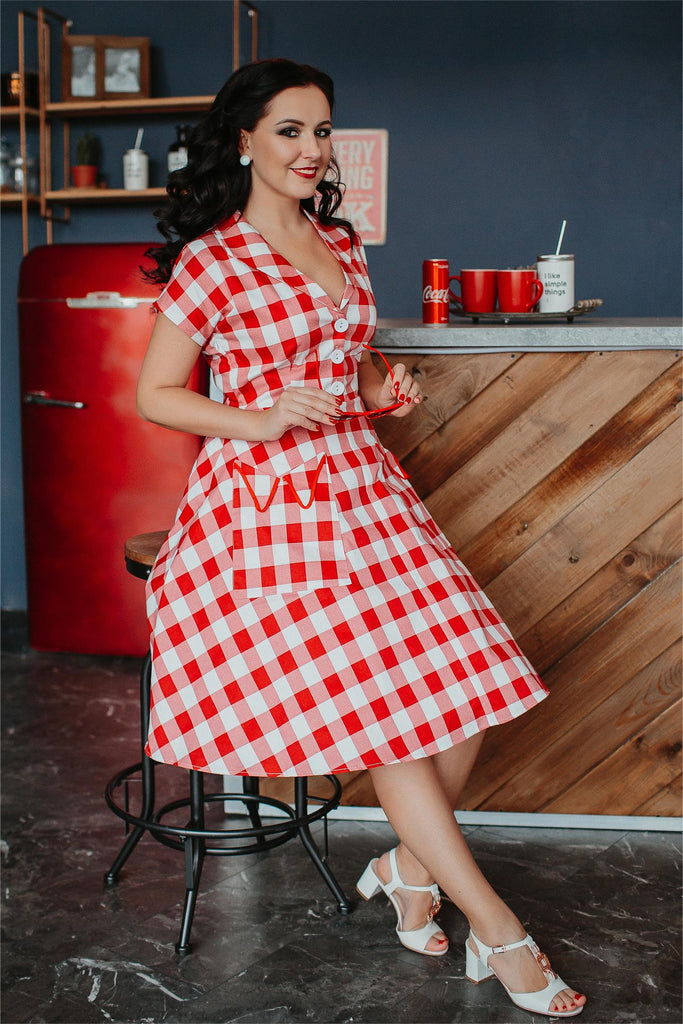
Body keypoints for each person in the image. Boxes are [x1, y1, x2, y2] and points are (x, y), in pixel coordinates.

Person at [137, 58, 586, 1019]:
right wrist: (259, 418)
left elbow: (353, 355)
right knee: (395, 724)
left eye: (322, 130)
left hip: (367, 491)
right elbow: (155, 393)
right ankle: (498, 933)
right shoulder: (212, 259)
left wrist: (381, 385)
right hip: (269, 512)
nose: (310, 149)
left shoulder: (337, 237)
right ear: (245, 140)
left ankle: (404, 865)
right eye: (290, 130)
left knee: (462, 702)